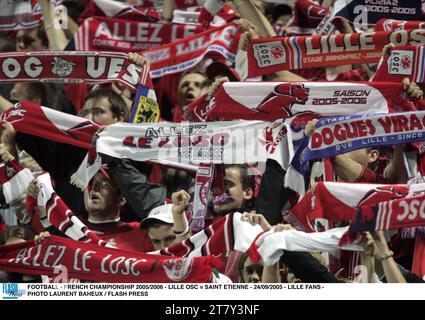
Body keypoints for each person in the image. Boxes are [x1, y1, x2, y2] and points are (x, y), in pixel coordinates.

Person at [29, 169, 154, 252]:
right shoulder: (66, 230)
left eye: (104, 184)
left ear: (121, 199)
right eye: (90, 183)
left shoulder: (141, 233)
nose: (94, 188)